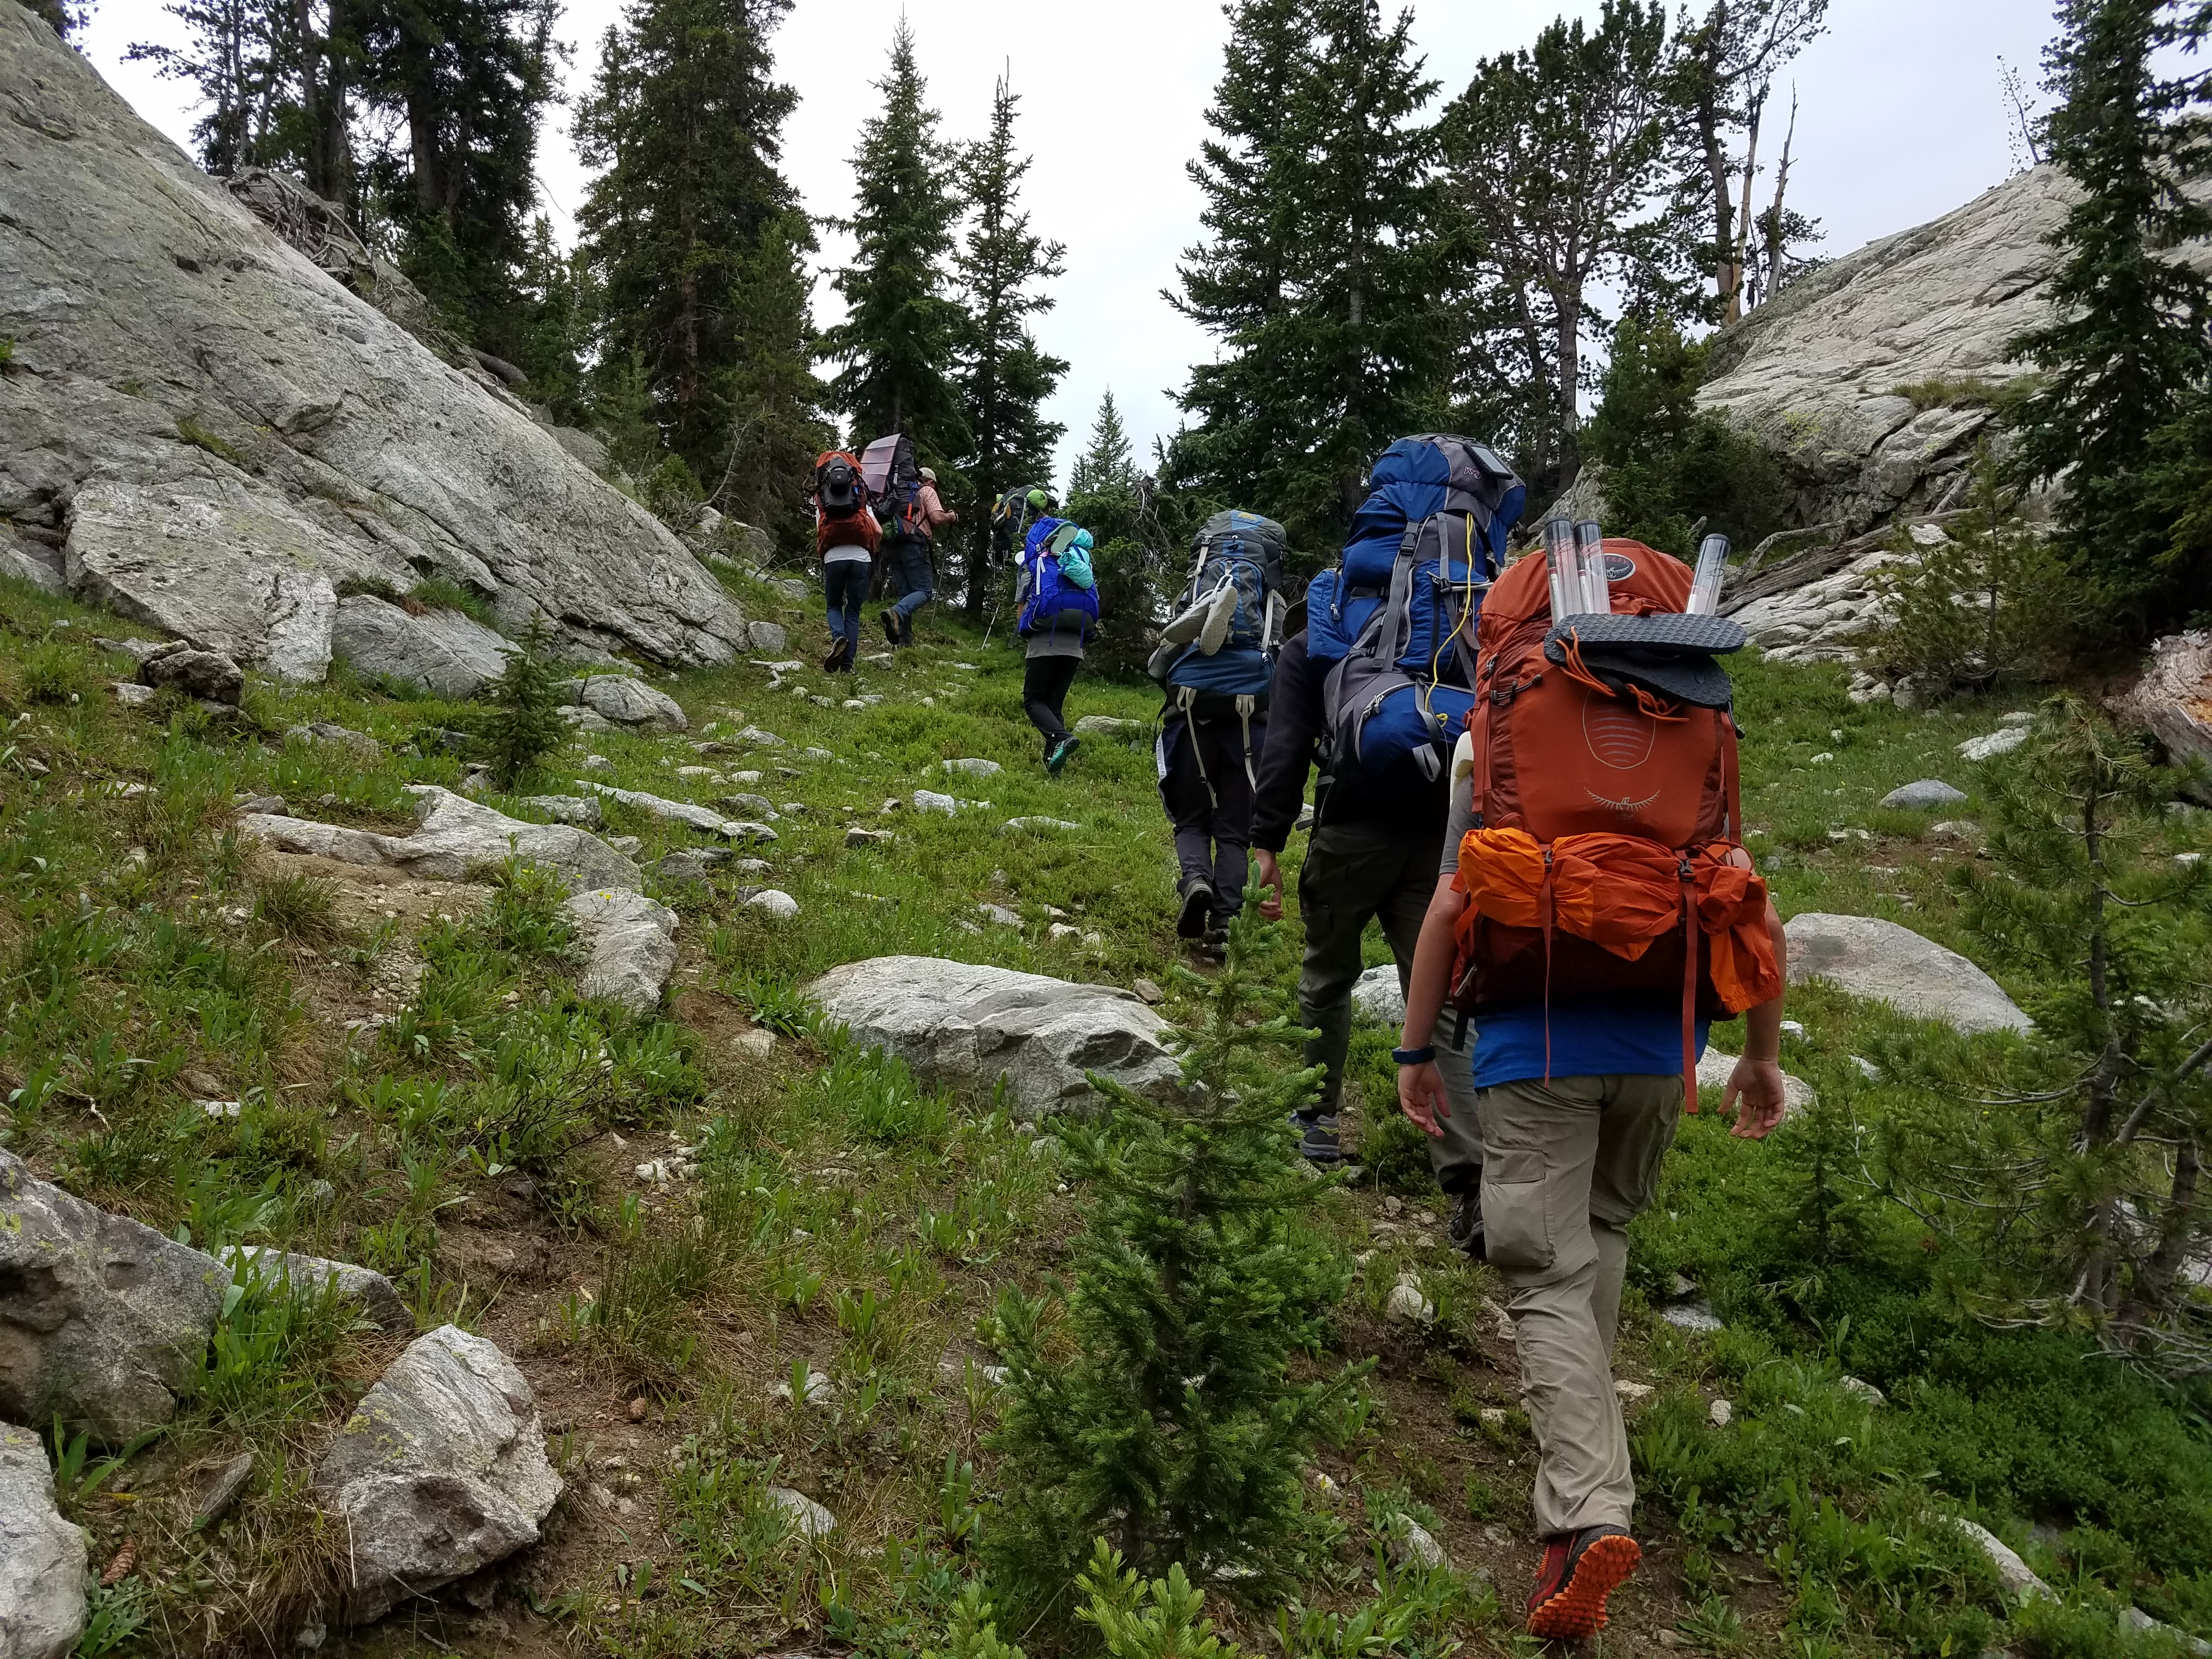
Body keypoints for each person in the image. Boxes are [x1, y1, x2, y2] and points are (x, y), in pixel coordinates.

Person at [1389, 538, 1790, 1641]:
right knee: (1601, 1233)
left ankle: (1581, 1515)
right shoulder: (1703, 721)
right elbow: (1751, 903)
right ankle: (1586, 1456)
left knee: (1539, 1274)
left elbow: (1447, 905)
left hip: (1533, 1040)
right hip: (1664, 1043)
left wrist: (1417, 1055)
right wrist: (1757, 1055)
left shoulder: (1502, 732)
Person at [1249, 629, 1486, 1201]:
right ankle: (1469, 1174)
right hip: (1444, 842)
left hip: (1350, 834)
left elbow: (1284, 745)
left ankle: (1318, 1120)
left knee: (1328, 976)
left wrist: (1265, 843)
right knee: (1444, 998)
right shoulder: (1466, 629)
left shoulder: (1322, 639)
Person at [1014, 518, 1098, 774]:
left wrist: (1023, 632)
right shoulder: (1080, 562)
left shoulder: (1034, 565)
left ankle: (1061, 738)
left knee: (1033, 700)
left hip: (1044, 642)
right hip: (1074, 645)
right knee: (1053, 705)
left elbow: (1022, 608)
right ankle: (1054, 765)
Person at [813, 450, 878, 673]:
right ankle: (848, 665)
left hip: (833, 558)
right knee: (852, 611)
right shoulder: (860, 497)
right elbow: (877, 530)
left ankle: (838, 636)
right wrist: (871, 548)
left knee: (833, 605)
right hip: (861, 557)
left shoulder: (822, 499)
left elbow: (821, 530)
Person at [881, 465, 958, 648]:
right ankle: (896, 613)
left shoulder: (897, 491)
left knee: (907, 593)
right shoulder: (927, 492)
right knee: (924, 592)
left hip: (894, 545)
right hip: (914, 544)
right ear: (930, 482)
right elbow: (937, 518)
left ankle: (904, 640)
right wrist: (952, 517)